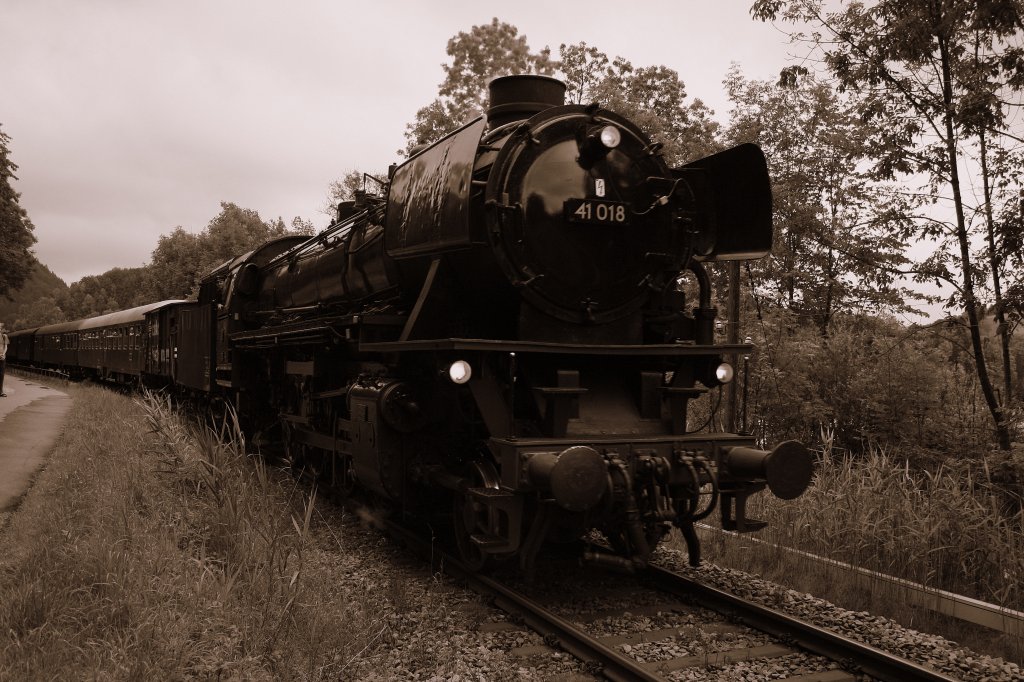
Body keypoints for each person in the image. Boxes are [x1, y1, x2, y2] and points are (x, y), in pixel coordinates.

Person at [0, 322, 7, 397]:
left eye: (0, 327)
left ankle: (1, 391)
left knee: (1, 375)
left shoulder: (4, 336)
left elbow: (6, 347)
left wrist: (3, 354)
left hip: (2, 357)